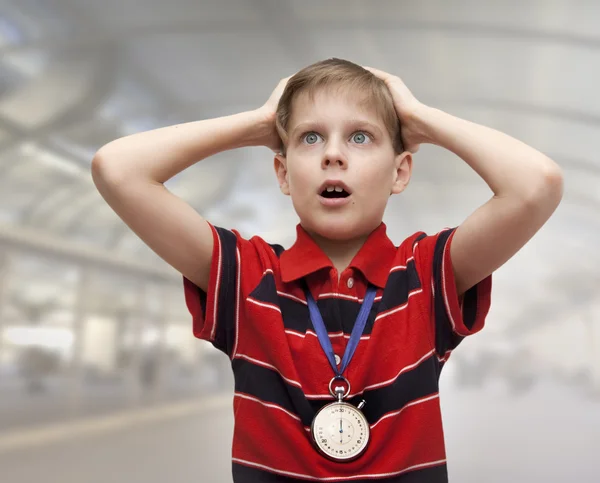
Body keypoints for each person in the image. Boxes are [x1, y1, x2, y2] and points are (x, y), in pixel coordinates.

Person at [91, 58, 563, 482]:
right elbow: (117, 169)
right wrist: (258, 122)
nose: (332, 154)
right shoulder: (246, 278)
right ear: (282, 172)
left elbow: (536, 184)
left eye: (360, 137)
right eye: (309, 137)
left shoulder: (426, 275)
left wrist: (420, 119)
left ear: (400, 172)